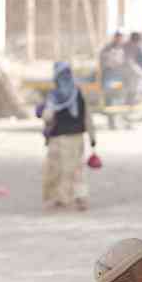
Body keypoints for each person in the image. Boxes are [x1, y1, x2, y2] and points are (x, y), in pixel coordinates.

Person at [42, 62, 96, 212]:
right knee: (76, 170)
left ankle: (60, 199)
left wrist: (45, 119)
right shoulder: (77, 93)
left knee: (56, 171)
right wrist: (92, 137)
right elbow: (87, 117)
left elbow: (48, 117)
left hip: (59, 140)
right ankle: (80, 199)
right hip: (77, 138)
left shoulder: (54, 96)